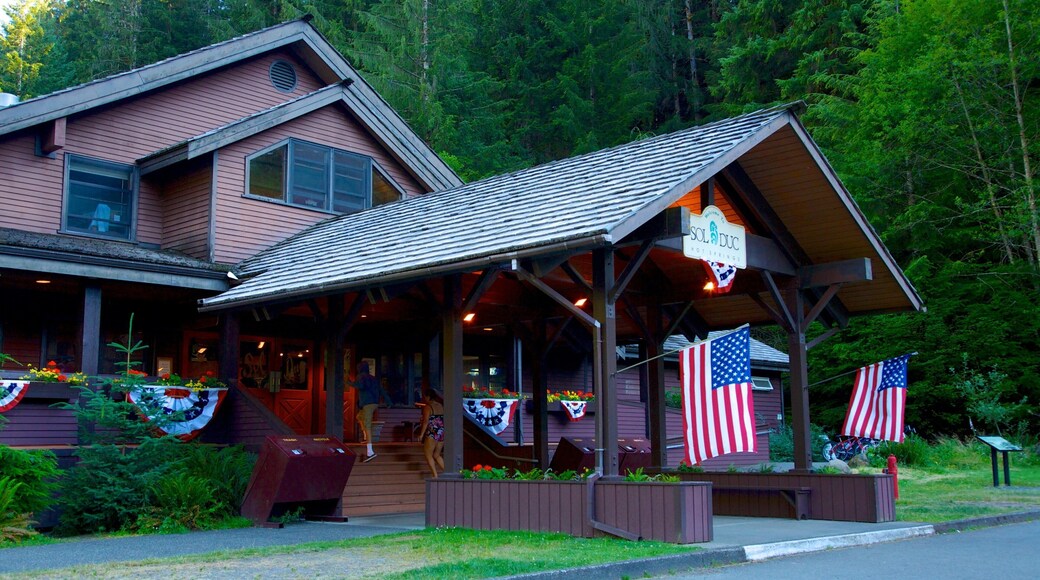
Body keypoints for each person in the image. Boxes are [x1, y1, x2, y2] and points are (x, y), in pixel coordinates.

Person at [356, 361, 381, 462]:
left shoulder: (364, 378)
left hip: (369, 404)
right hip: (369, 403)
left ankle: (370, 452)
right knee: (359, 417)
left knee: (367, 424)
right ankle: (366, 435)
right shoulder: (370, 379)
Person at [419, 388, 445, 477]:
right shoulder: (441, 405)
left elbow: (426, 421)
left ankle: (435, 475)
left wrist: (421, 434)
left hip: (432, 432)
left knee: (428, 454)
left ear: (428, 396)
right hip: (441, 432)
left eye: (425, 396)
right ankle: (447, 472)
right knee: (437, 455)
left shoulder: (428, 407)